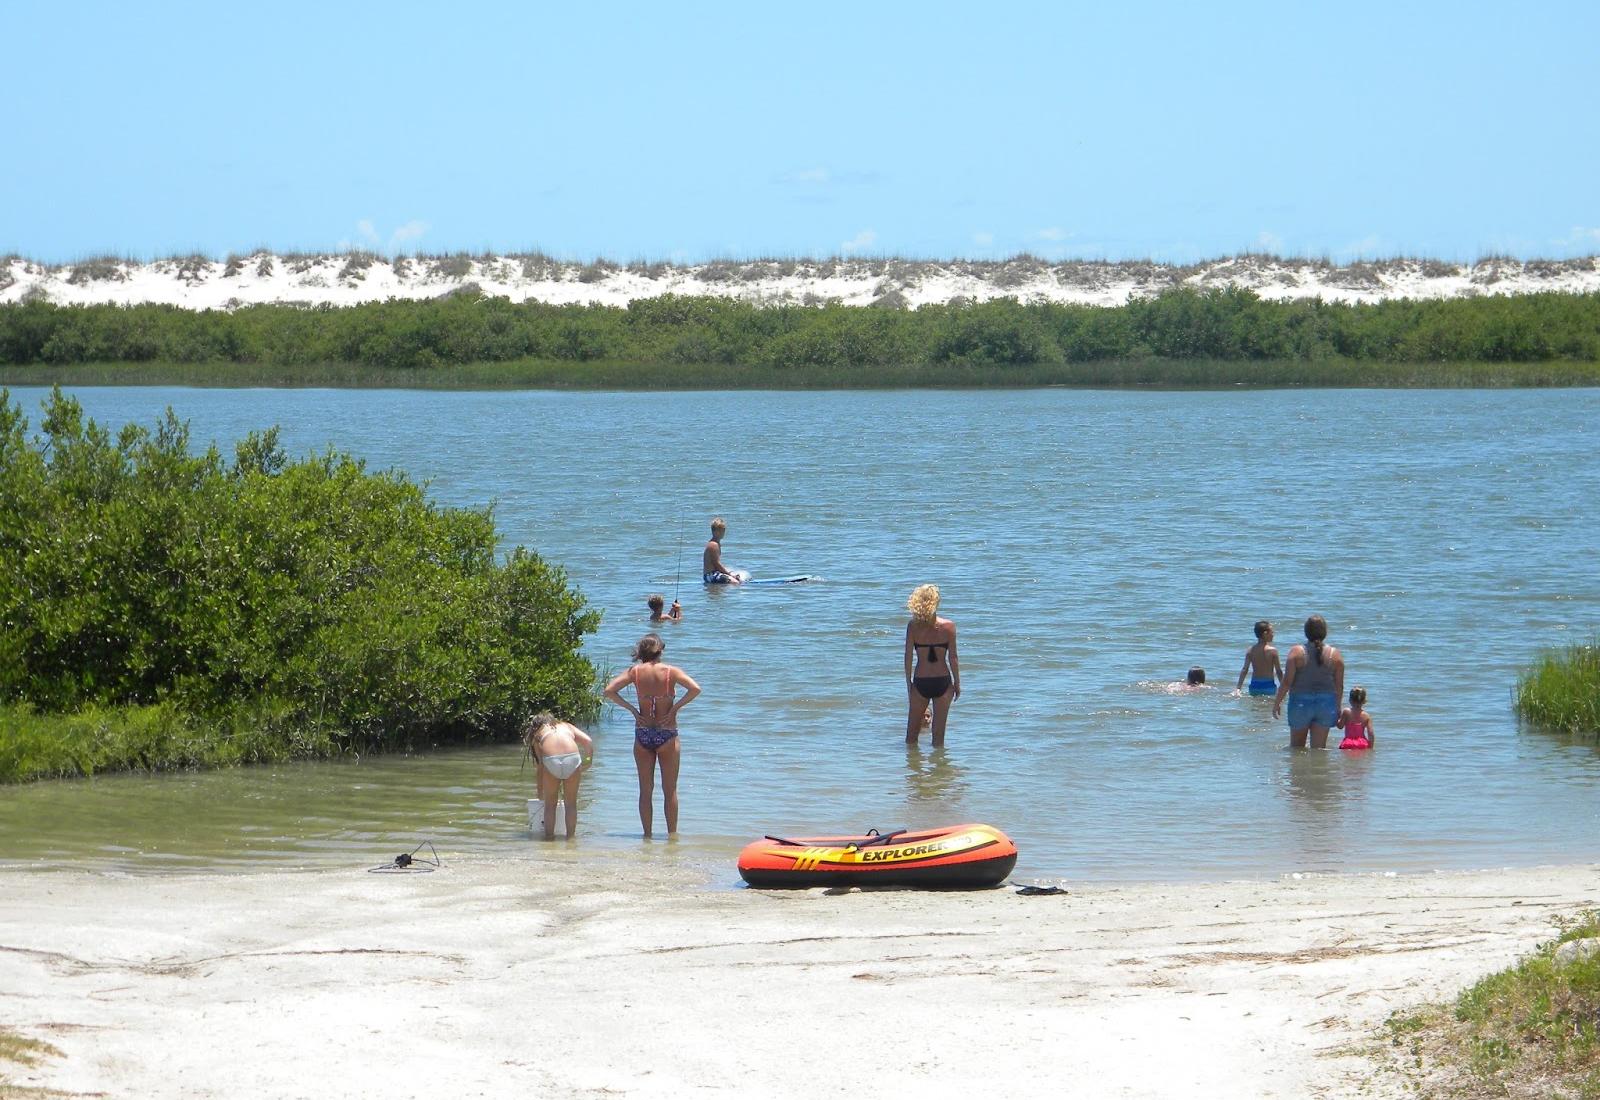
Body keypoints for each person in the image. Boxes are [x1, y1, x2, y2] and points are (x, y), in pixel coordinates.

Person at [602, 633, 701, 838]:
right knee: (670, 790)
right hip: (667, 732)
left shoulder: (635, 672)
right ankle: (671, 836)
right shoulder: (671, 672)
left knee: (645, 791)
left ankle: (647, 836)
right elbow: (695, 689)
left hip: (643, 733)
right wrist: (675, 710)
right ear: (660, 651)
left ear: (641, 652)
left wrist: (633, 711)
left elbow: (609, 690)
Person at [1273, 615, 1345, 749]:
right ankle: (1318, 770)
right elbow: (1339, 686)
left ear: (1306, 631)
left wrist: (1277, 703)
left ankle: (1299, 770)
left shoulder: (1296, 652)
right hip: (1326, 704)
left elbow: (1287, 682)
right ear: (1325, 632)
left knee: (1296, 749)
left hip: (1300, 703)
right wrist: (1338, 706)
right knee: (1319, 750)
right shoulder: (1335, 655)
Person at [523, 713, 594, 841]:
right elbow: (588, 741)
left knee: (550, 804)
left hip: (551, 760)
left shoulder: (538, 734)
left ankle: (549, 839)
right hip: (573, 757)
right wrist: (588, 760)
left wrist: (539, 792)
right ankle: (571, 839)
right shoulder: (566, 726)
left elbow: (540, 768)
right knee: (571, 804)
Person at [904, 584, 960, 746]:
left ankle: (913, 769)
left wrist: (909, 682)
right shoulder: (949, 626)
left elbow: (908, 656)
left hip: (921, 681)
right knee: (938, 737)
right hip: (943, 681)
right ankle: (940, 770)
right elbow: (953, 657)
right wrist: (957, 683)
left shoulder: (913, 626)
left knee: (911, 736)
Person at [1235, 620, 1283, 696]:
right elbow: (1279, 671)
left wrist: (1238, 688)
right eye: (1272, 632)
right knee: (1268, 706)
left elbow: (1245, 670)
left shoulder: (1250, 650)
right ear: (1265, 634)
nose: (1273, 635)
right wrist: (1284, 687)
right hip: (1268, 686)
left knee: (1255, 707)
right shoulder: (1273, 651)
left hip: (1254, 686)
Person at [702, 516, 742, 584]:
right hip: (710, 575)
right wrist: (729, 575)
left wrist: (729, 573)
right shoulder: (713, 545)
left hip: (714, 573)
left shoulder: (717, 543)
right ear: (714, 531)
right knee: (735, 583)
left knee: (737, 577)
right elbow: (717, 564)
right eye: (721, 530)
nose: (723, 532)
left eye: (723, 529)